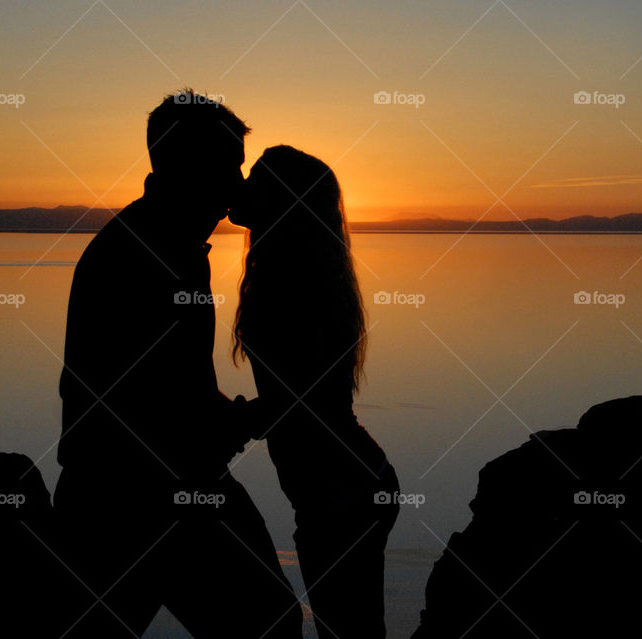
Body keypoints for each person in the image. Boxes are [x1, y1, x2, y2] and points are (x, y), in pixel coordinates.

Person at [54, 90, 301, 638]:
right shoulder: (144, 255)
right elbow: (142, 404)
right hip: (136, 502)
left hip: (144, 492)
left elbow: (176, 385)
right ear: (189, 167)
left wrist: (238, 417)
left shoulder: (172, 245)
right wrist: (242, 422)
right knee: (271, 624)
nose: (237, 183)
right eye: (228, 166)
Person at [230, 145, 400, 639]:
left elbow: (301, 403)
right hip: (342, 489)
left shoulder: (290, 283)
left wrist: (233, 421)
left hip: (340, 496)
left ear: (281, 200)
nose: (241, 186)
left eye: (254, 180)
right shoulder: (288, 273)